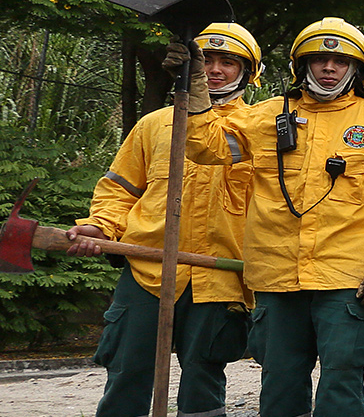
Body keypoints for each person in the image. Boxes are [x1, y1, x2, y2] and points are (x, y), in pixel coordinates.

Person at [182, 17, 364, 416]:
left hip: (346, 278)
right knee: (280, 376)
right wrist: (195, 86)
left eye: (340, 61)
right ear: (300, 67)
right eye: (320, 59)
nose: (329, 68)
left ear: (358, 70)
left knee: (341, 375)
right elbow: (206, 148)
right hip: (276, 275)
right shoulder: (266, 116)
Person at [67, 22, 260, 417]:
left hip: (218, 275)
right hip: (148, 269)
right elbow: (120, 188)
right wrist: (100, 225)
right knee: (126, 371)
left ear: (248, 73)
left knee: (203, 380)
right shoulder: (154, 125)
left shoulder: (258, 128)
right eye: (206, 61)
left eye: (228, 62)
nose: (215, 70)